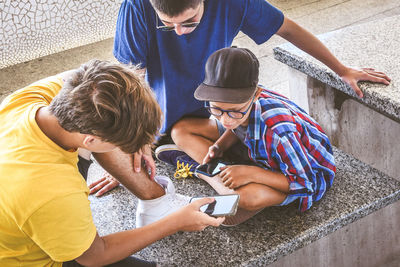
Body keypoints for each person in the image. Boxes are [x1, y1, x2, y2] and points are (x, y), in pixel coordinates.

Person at [92, 0, 390, 195]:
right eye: (168, 25)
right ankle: (201, 165)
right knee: (175, 135)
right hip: (159, 115)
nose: (180, 33)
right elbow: (130, 82)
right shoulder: (135, 7)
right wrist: (127, 152)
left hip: (216, 108)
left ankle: (215, 165)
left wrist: (341, 69)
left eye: (190, 22)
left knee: (239, 174)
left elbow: (287, 28)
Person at [0, 60, 224, 266]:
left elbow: (91, 79)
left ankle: (157, 203)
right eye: (125, 145)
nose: (129, 149)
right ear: (91, 140)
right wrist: (175, 222)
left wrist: (139, 141)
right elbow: (94, 255)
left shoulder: (30, 99)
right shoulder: (54, 192)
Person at [157, 47, 336, 225]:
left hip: (298, 172)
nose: (225, 120)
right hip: (257, 147)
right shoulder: (241, 103)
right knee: (180, 131)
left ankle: (203, 171)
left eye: (234, 111)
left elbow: (305, 183)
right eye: (216, 110)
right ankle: (223, 174)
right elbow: (236, 126)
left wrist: (253, 174)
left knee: (246, 198)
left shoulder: (280, 133)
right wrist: (220, 146)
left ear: (256, 94)